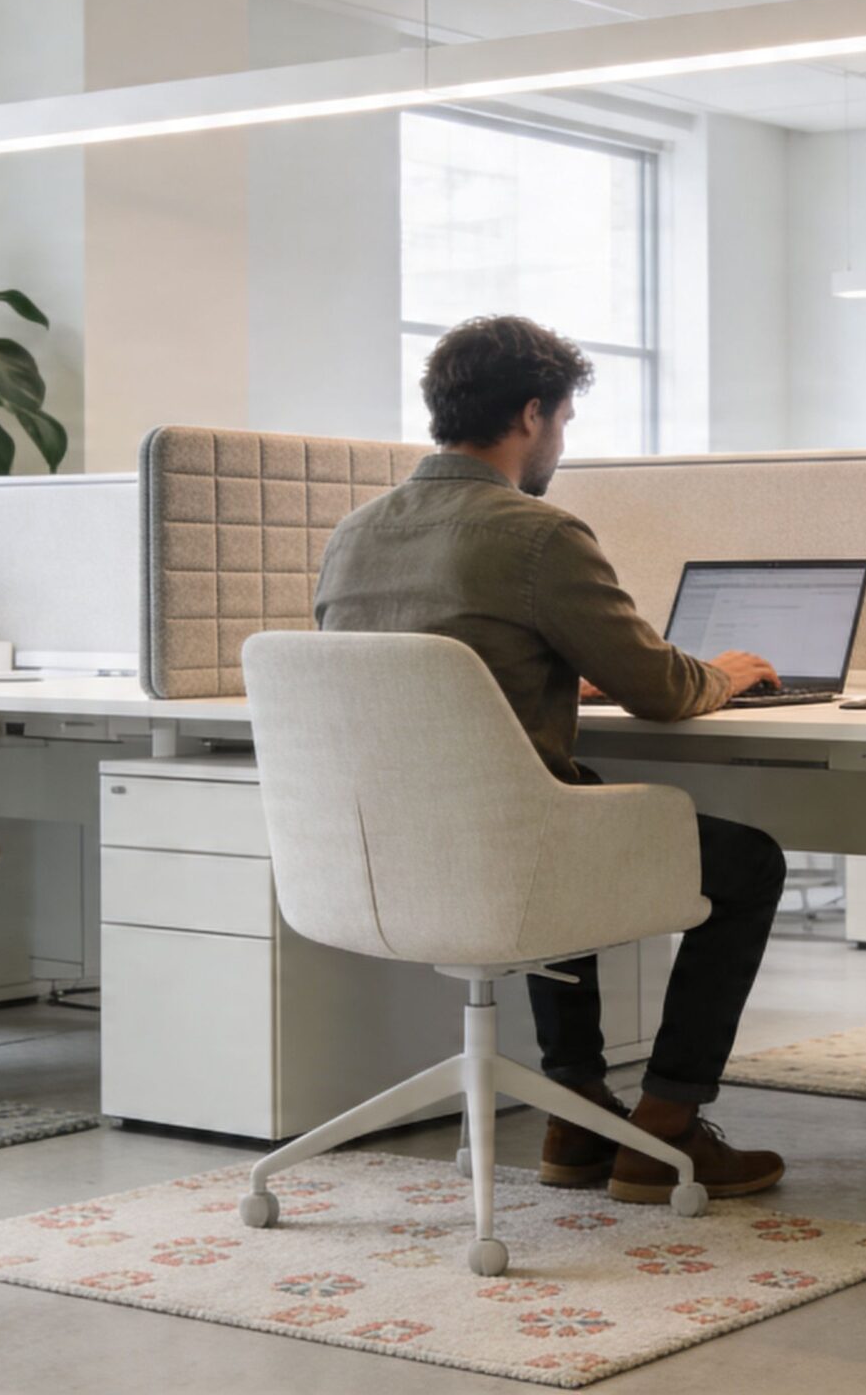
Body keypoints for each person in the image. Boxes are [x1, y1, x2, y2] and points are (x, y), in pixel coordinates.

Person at [312, 314, 789, 1204]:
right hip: (510, 851)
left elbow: (421, 683)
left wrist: (555, 677)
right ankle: (664, 1130)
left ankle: (575, 1113)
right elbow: (661, 689)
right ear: (532, 414)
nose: (560, 445)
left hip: (379, 853)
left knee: (567, 799)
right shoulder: (537, 535)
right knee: (746, 864)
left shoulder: (355, 533)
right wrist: (721, 673)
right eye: (564, 422)